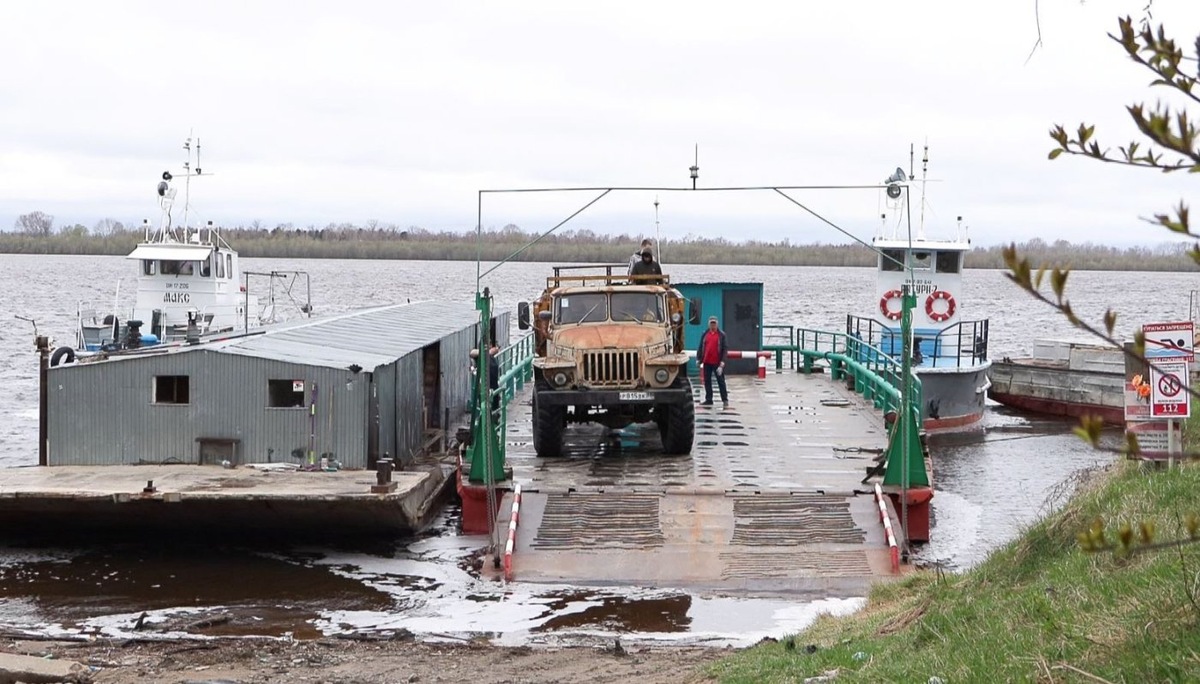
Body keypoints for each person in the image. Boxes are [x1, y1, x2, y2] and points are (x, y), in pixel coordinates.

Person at [697, 315, 729, 408]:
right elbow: (700, 347)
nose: (713, 325)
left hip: (717, 363)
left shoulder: (721, 335)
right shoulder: (704, 334)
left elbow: (725, 349)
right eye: (711, 323)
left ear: (717, 324)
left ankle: (725, 400)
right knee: (707, 381)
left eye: (714, 323)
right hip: (707, 362)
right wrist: (699, 359)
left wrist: (722, 363)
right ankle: (709, 399)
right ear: (709, 324)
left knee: (721, 381)